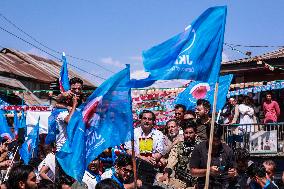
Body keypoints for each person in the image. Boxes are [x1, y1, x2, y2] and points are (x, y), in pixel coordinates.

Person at [190, 124, 236, 189]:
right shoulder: (199, 149)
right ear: (208, 137)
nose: (215, 144)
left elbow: (234, 170)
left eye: (218, 140)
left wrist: (233, 173)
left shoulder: (227, 150)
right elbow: (193, 172)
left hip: (223, 185)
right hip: (204, 185)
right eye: (213, 140)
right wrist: (208, 171)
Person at [158, 119, 200, 188]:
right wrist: (166, 173)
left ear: (195, 133)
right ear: (183, 133)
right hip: (181, 180)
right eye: (186, 133)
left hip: (196, 182)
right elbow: (172, 159)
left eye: (191, 133)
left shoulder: (201, 146)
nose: (188, 135)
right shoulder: (179, 146)